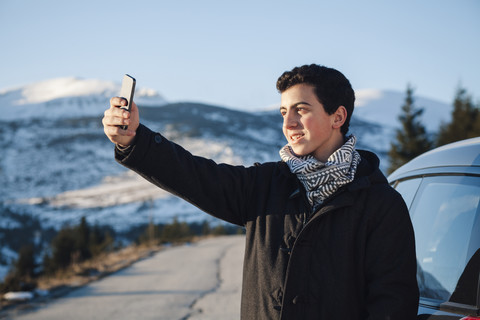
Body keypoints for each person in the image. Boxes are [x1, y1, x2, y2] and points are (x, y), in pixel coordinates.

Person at [102, 64, 419, 319]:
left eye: (301, 109)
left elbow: (392, 305)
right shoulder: (265, 185)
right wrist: (134, 140)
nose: (289, 123)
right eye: (284, 112)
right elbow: (195, 176)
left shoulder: (381, 205)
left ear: (338, 116)